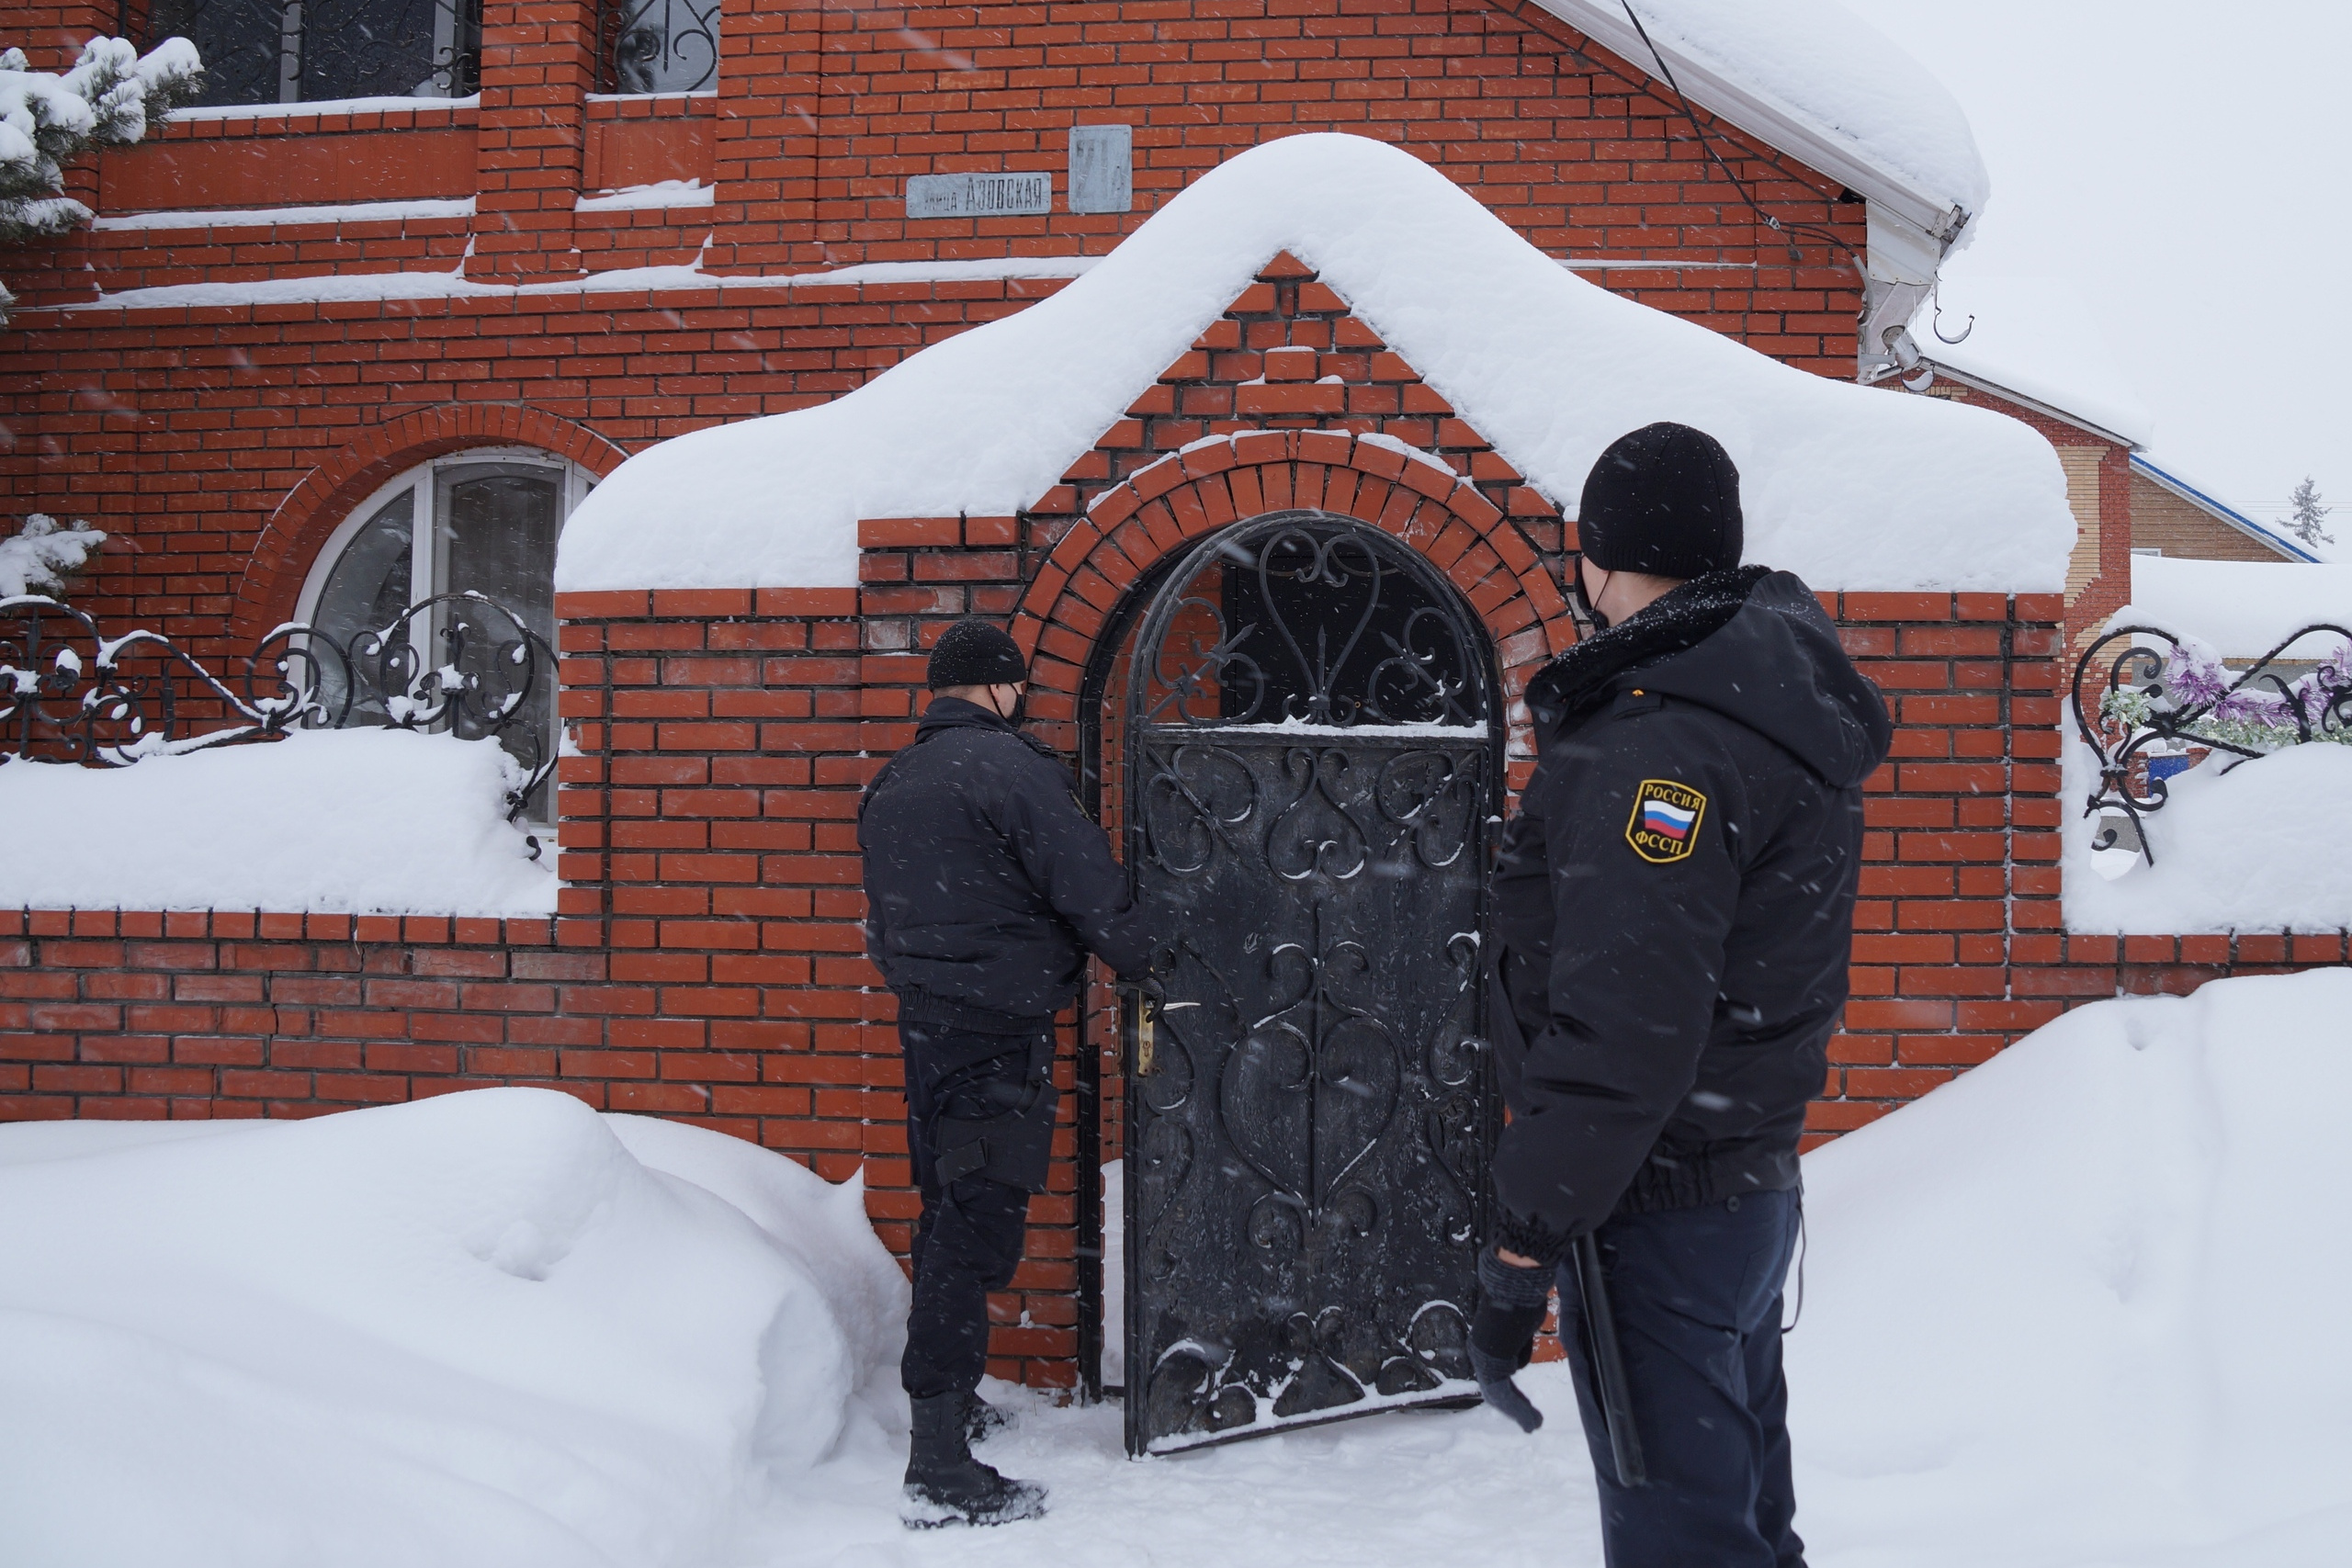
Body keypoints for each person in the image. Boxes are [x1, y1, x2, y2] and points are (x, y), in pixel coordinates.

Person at [1469, 423, 1893, 1567]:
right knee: (1743, 1516)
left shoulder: (1659, 750)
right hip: (1740, 1185)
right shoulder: (1765, 710)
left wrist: (1523, 1236)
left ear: (1602, 554)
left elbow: (1628, 1026)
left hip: (1660, 1208)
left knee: (1690, 1542)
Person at [858, 617, 1154, 1528]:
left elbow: (887, 913)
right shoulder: (1009, 768)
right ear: (999, 687)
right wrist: (1148, 956)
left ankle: (951, 1407)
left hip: (931, 1027)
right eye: (1017, 689)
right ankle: (939, 1463)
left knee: (948, 1208)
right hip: (997, 1030)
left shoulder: (895, 780)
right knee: (975, 1226)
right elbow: (1087, 884)